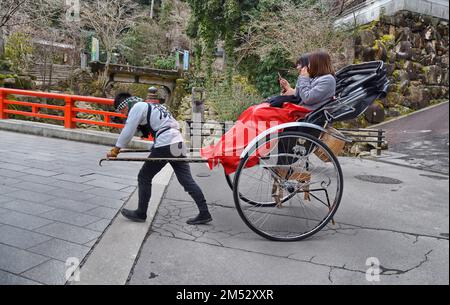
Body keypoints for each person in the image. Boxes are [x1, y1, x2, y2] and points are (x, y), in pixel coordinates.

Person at [107, 93, 212, 225]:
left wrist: (115, 150)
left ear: (125, 105)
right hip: (177, 142)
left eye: (122, 111)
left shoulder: (138, 107)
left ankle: (141, 212)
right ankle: (204, 212)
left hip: (166, 143)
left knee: (144, 176)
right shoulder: (154, 106)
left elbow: (128, 130)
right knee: (186, 179)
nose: (124, 114)